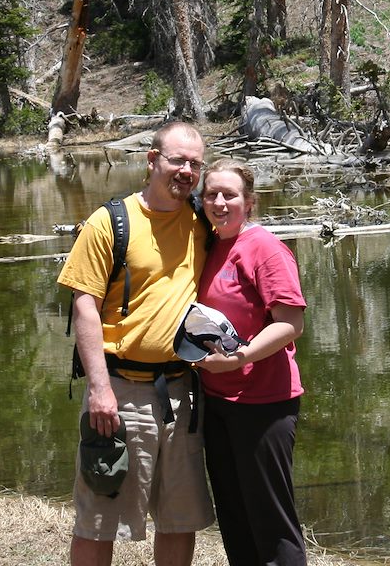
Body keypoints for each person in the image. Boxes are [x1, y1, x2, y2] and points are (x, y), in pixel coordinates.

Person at [57, 120, 214, 566]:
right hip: (120, 392)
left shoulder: (203, 220)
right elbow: (84, 305)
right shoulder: (110, 222)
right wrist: (99, 388)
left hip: (182, 394)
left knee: (179, 520)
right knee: (99, 518)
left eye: (195, 164)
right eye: (177, 160)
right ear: (152, 160)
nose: (186, 171)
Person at [196, 158, 307, 566]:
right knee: (235, 518)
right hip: (219, 402)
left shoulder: (264, 248)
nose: (220, 202)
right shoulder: (210, 245)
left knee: (271, 522)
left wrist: (239, 357)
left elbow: (291, 325)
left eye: (230, 195)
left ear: (250, 201)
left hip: (264, 403)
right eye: (212, 194)